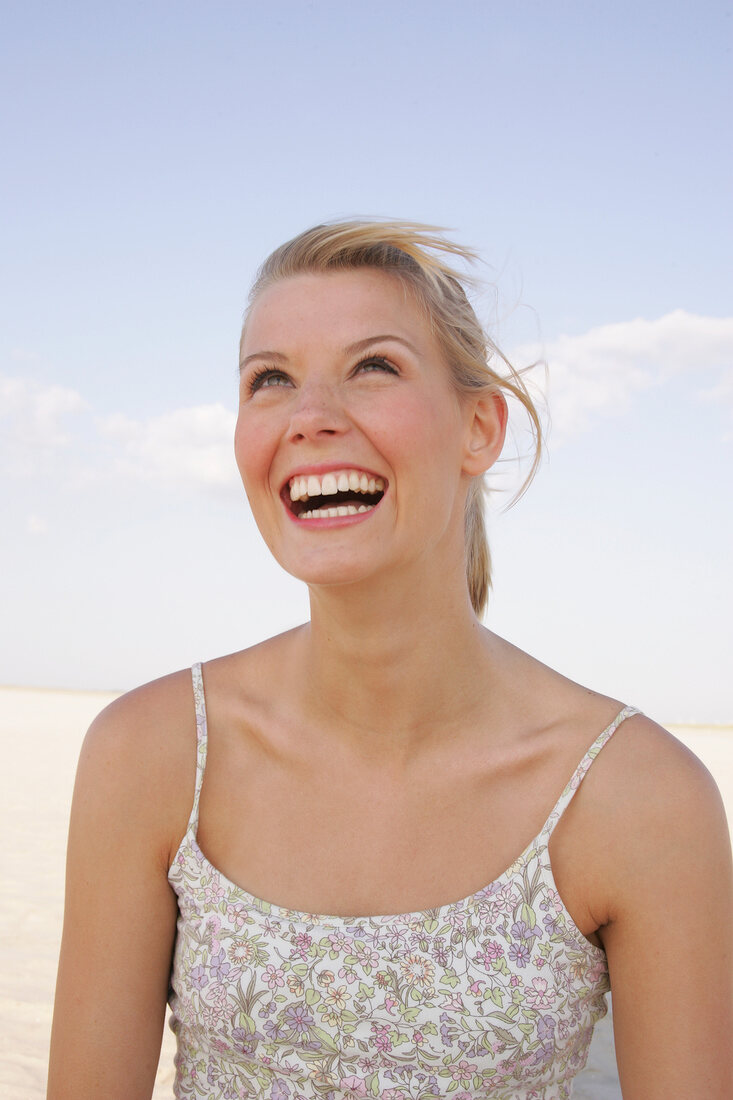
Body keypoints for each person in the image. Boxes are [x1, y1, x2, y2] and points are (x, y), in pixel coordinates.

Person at [48, 221, 732, 1100]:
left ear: (479, 426)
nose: (309, 417)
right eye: (270, 380)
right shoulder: (151, 754)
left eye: (373, 367)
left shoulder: (637, 797)